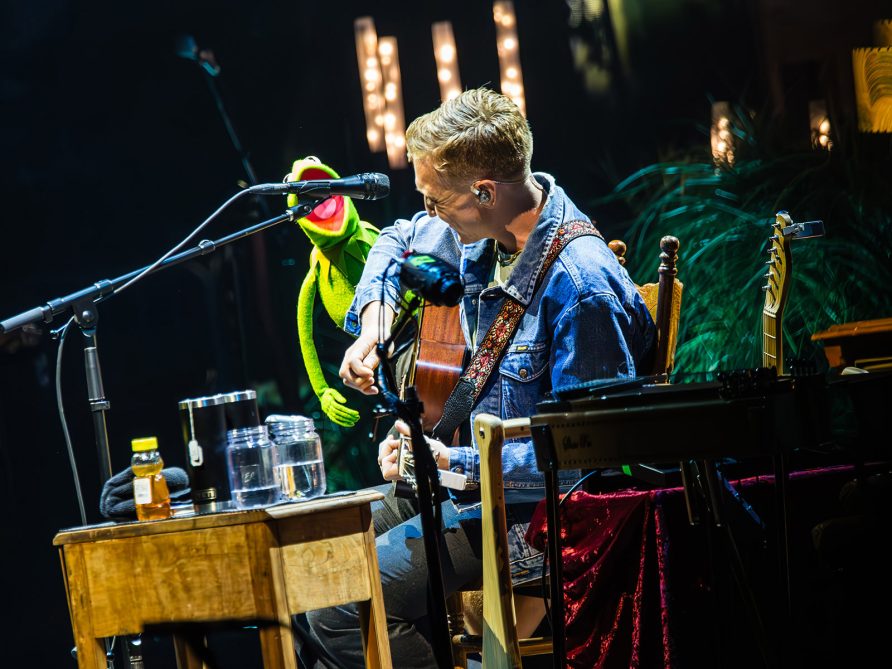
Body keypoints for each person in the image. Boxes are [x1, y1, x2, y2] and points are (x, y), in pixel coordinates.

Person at [301, 87, 655, 667]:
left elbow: (582, 462)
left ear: (484, 191)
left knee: (340, 603)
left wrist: (450, 462)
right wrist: (373, 326)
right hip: (470, 489)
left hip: (540, 520)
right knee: (314, 573)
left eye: (436, 200)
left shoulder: (579, 286)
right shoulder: (478, 229)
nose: (430, 213)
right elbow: (397, 239)